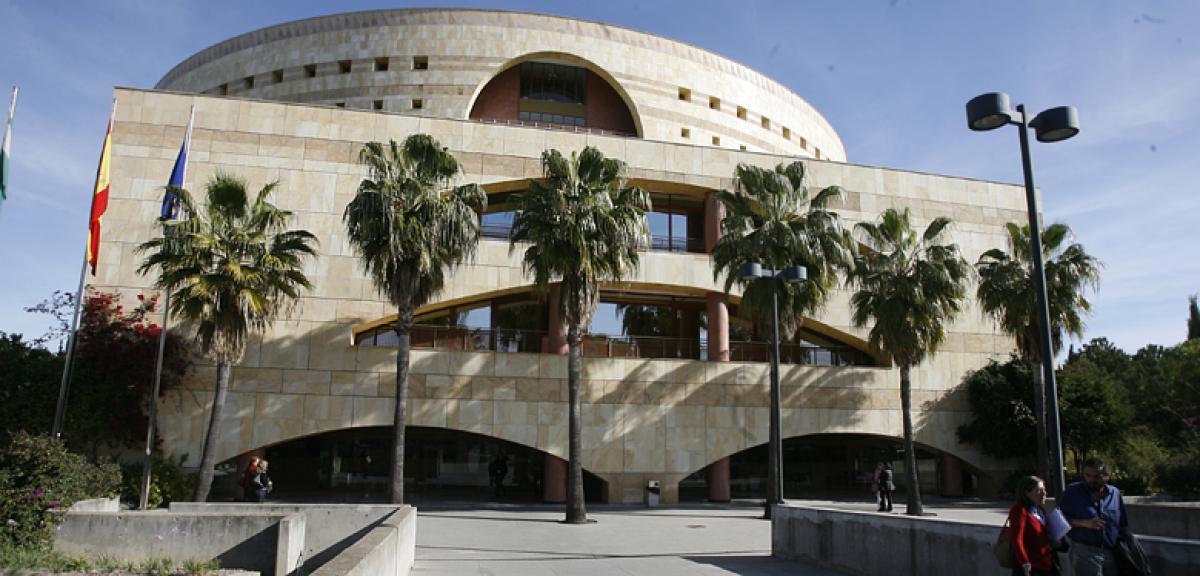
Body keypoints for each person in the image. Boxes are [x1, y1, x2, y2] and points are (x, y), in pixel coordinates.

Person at [1057, 458, 1129, 576]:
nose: (1091, 480)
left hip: (1111, 552)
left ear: (1107, 476)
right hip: (1085, 551)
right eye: (1088, 475)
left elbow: (1123, 523)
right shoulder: (1073, 491)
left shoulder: (1114, 493)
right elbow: (1059, 520)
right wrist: (1083, 523)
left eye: (1096, 477)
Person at [1008, 475, 1062, 576]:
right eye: (1039, 491)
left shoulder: (1040, 510)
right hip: (1032, 566)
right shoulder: (1020, 510)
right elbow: (1017, 539)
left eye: (1044, 490)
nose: (1044, 494)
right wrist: (1025, 563)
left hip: (1047, 563)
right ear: (1027, 493)